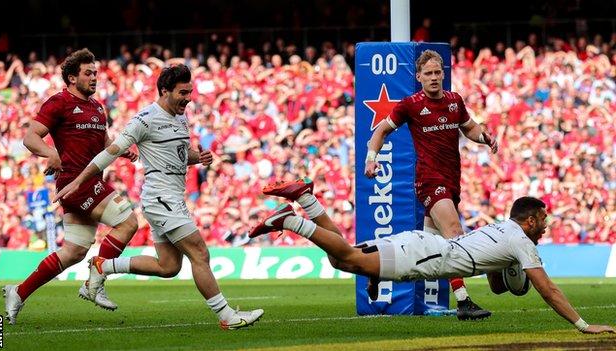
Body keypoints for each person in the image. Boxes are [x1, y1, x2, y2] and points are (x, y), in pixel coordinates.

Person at [250, 178, 615, 334]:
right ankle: (292, 222)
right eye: (544, 221)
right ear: (531, 220)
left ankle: (306, 198)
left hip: (426, 248)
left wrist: (508, 272)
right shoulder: (523, 242)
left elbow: (497, 285)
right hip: (427, 256)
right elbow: (547, 290)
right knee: (345, 257)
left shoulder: (502, 230)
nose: (547, 228)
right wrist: (583, 325)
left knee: (340, 258)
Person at [53, 64, 263, 330]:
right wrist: (79, 180)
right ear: (164, 90)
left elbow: (180, 156)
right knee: (200, 253)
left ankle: (103, 266)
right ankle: (227, 316)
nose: (188, 98)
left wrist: (198, 158)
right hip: (161, 198)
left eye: (190, 92)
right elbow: (112, 151)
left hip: (171, 196)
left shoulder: (180, 117)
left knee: (168, 266)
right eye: (182, 92)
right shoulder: (144, 120)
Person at [3, 49, 140, 325]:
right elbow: (31, 137)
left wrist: (123, 150)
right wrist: (51, 154)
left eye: (95, 74)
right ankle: (94, 284)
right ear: (71, 77)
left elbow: (104, 142)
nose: (94, 78)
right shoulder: (58, 102)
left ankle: (18, 292)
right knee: (128, 222)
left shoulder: (98, 107)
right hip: (74, 182)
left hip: (90, 182)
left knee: (75, 251)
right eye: (88, 73)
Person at [364, 49, 498, 320]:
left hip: (452, 181)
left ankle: (374, 269)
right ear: (419, 77)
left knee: (424, 251)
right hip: (429, 181)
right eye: (428, 73)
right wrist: (371, 158)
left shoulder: (454, 101)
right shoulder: (410, 104)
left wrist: (484, 138)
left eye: (438, 72)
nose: (434, 77)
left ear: (443, 74)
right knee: (454, 232)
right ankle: (463, 301)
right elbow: (381, 130)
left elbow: (469, 128)